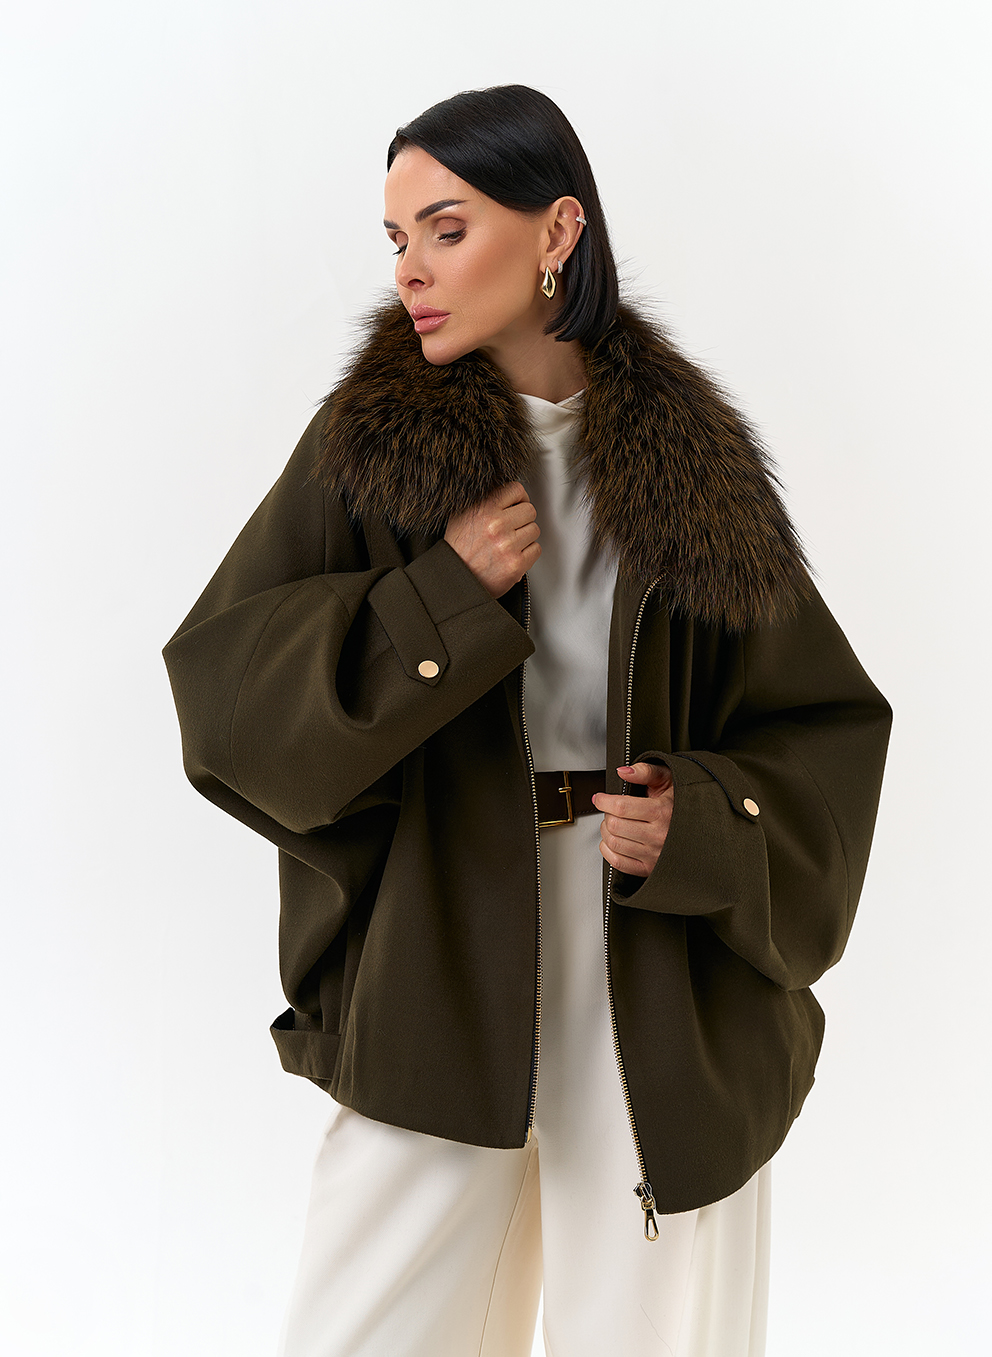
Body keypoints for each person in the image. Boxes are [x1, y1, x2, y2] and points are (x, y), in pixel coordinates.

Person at [163, 85, 891, 1357]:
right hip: (441, 952)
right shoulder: (370, 451)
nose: (410, 270)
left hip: (655, 974)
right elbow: (223, 696)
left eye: (445, 230)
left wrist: (696, 824)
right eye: (397, 238)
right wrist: (439, 597)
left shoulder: (692, 470)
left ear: (557, 232)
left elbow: (822, 729)